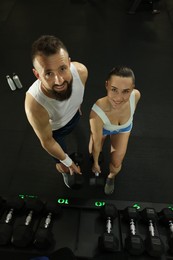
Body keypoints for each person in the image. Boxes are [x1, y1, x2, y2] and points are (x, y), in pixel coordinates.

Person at [25, 35, 88, 188]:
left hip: (74, 117)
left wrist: (77, 106)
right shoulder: (35, 104)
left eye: (62, 69)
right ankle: (64, 171)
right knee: (63, 163)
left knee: (82, 139)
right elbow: (47, 141)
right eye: (48, 73)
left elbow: (79, 93)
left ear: (69, 63)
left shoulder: (81, 71)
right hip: (55, 132)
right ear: (37, 75)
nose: (59, 80)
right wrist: (67, 162)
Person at [89, 66, 141, 195]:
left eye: (125, 91)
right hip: (103, 129)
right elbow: (96, 141)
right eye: (114, 90)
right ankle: (96, 158)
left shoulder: (136, 96)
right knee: (94, 150)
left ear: (132, 89)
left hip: (123, 129)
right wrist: (95, 163)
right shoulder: (97, 112)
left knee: (117, 163)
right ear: (107, 85)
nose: (118, 98)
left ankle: (111, 177)